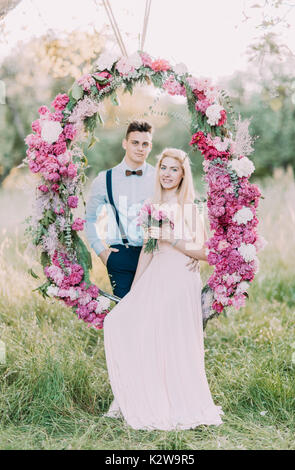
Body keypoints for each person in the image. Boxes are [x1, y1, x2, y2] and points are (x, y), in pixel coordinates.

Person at [103, 148, 224, 430]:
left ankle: (176, 400)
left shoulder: (191, 208)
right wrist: (133, 291)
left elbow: (206, 252)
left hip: (180, 278)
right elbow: (148, 249)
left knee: (171, 339)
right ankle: (135, 396)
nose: (167, 174)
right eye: (163, 168)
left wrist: (176, 240)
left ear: (183, 175)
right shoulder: (151, 205)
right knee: (121, 322)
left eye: (174, 169)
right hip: (156, 275)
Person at [85, 120, 199, 299]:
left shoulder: (162, 176)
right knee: (125, 311)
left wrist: (192, 252)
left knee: (152, 313)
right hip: (120, 255)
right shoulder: (104, 179)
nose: (140, 148)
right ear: (125, 143)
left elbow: (183, 208)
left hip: (156, 255)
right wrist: (101, 252)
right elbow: (89, 218)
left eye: (145, 144)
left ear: (150, 146)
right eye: (135, 142)